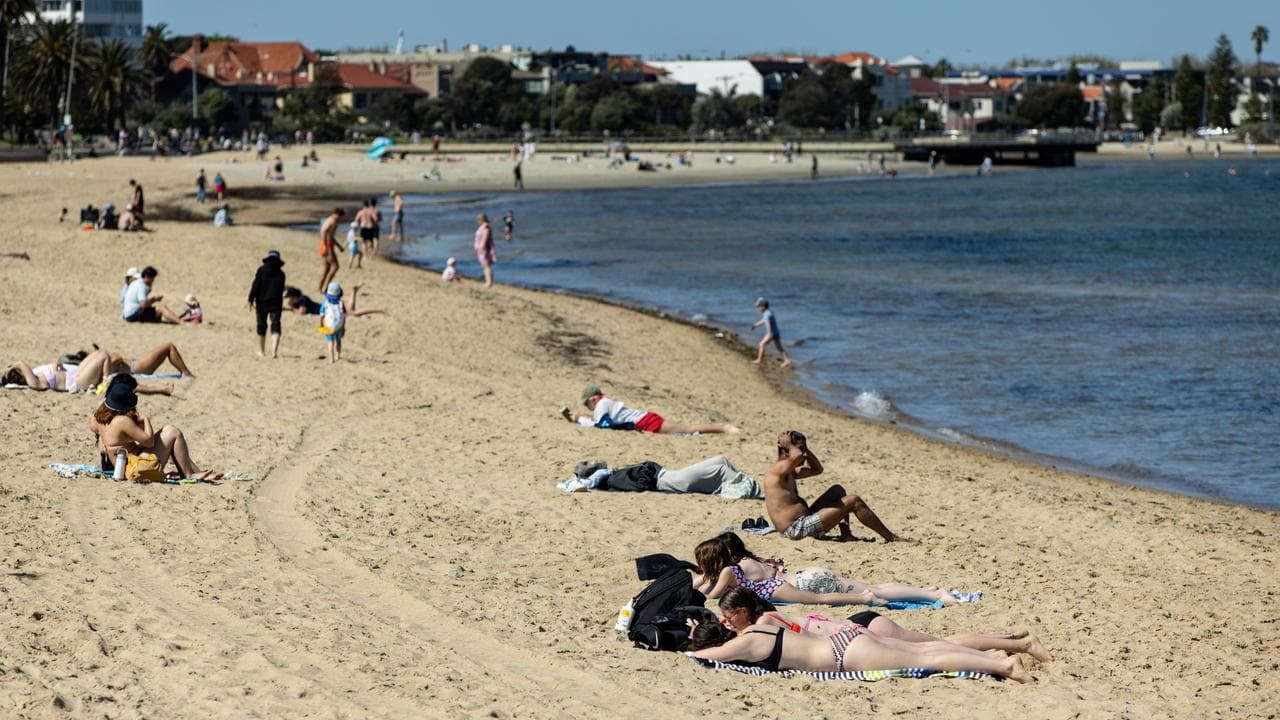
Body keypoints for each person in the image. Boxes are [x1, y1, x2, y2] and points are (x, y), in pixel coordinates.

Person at [687, 602, 1033, 683]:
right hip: (848, 636)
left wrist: (691, 642)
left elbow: (704, 656)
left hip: (844, 655)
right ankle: (994, 656)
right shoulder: (764, 624)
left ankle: (1003, 665)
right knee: (923, 650)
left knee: (928, 658)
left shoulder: (742, 645)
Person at [718, 587, 1052, 661]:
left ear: (745, 611)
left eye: (730, 616)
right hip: (855, 627)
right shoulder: (769, 615)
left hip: (857, 631)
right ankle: (1008, 639)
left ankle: (1019, 644)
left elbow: (803, 636)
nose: (727, 623)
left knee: (936, 645)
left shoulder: (768, 622)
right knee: (940, 641)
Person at [692, 534, 954, 607]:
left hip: (809, 584)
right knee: (872, 584)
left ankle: (936, 595)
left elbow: (711, 595)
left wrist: (701, 579)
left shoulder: (731, 571)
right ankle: (923, 591)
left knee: (870, 591)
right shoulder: (752, 560)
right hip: (807, 574)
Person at [765, 430, 912, 543]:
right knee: (853, 500)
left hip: (804, 520)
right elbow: (796, 456)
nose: (803, 455)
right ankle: (891, 537)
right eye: (801, 449)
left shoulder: (788, 472)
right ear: (786, 450)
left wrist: (806, 449)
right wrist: (790, 445)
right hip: (796, 530)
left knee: (838, 490)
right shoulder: (778, 470)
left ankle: (846, 534)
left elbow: (817, 470)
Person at [90, 382, 222, 482]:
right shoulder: (123, 421)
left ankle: (196, 471)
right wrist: (145, 419)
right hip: (135, 468)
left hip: (122, 467)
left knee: (168, 437)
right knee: (172, 432)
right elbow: (149, 441)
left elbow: (95, 427)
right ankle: (188, 474)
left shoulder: (99, 419)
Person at [568, 385, 740, 434]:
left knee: (687, 429)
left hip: (647, 421)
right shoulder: (605, 402)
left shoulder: (601, 404)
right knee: (686, 429)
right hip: (645, 420)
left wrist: (580, 420)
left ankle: (724, 428)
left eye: (587, 404)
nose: (588, 407)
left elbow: (603, 425)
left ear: (594, 398)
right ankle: (723, 428)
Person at [248, 250, 287, 359]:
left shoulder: (262, 270)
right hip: (276, 302)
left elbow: (255, 285)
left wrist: (251, 299)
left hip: (262, 302)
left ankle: (262, 351)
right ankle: (274, 352)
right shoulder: (281, 274)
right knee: (276, 325)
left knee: (261, 325)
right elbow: (281, 290)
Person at [752, 298, 791, 367]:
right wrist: (756, 324)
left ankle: (759, 359)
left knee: (761, 344)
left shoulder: (766, 315)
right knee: (779, 347)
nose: (758, 308)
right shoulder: (769, 312)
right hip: (776, 332)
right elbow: (764, 320)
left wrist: (769, 334)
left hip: (771, 333)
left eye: (759, 307)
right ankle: (787, 360)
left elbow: (768, 324)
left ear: (763, 307)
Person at [317, 207, 345, 293]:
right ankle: (325, 288)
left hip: (327, 245)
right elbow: (324, 231)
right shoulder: (332, 221)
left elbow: (330, 236)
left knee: (327, 268)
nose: (341, 219)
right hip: (328, 246)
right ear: (337, 214)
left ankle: (319, 288)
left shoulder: (329, 220)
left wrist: (339, 246)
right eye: (341, 217)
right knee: (335, 267)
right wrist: (326, 246)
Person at [319, 281, 347, 363]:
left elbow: (322, 315)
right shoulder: (341, 303)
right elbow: (344, 316)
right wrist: (343, 327)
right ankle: (338, 356)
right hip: (339, 325)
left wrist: (321, 324)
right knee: (338, 341)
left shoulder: (325, 303)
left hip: (329, 326)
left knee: (330, 342)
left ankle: (331, 359)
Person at [474, 212, 495, 287]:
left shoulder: (486, 227)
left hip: (484, 249)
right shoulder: (482, 226)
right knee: (484, 266)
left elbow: (485, 238)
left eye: (478, 219)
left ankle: (489, 282)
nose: (477, 221)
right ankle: (488, 281)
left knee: (486, 266)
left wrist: (482, 248)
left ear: (482, 219)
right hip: (480, 249)